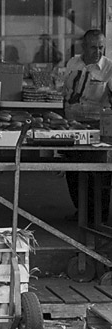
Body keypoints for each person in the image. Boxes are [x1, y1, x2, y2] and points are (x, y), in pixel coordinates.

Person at [63, 29, 112, 224]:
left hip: (97, 129)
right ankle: (81, 212)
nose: (98, 52)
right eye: (93, 47)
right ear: (84, 47)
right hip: (73, 125)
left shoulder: (108, 68)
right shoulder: (73, 64)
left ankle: (98, 217)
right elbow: (65, 91)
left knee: (98, 174)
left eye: (101, 47)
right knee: (73, 171)